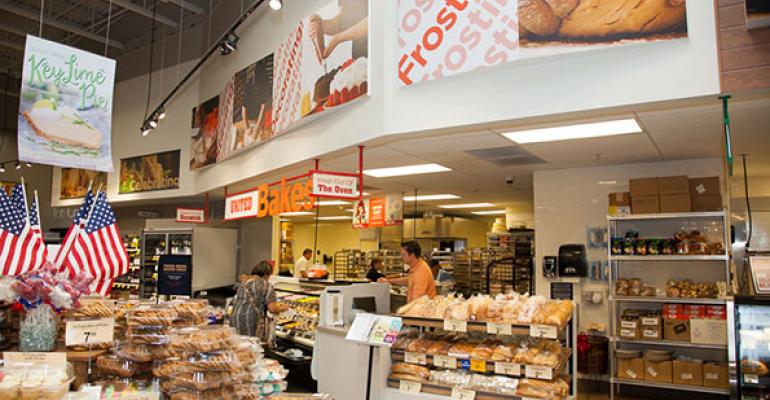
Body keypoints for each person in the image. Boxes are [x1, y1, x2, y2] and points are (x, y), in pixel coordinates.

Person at [231, 261, 288, 344]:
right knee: (251, 346)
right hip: (251, 320)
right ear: (265, 274)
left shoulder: (244, 282)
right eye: (269, 275)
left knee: (238, 345)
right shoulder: (266, 285)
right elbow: (272, 309)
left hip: (235, 316)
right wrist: (283, 308)